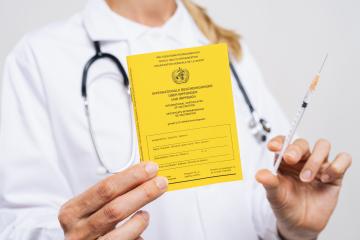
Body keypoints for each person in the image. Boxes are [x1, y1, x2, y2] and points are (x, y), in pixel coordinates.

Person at [0, 0, 352, 239]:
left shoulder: (227, 52)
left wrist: (289, 227)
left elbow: (259, 200)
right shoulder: (40, 57)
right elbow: (16, 221)